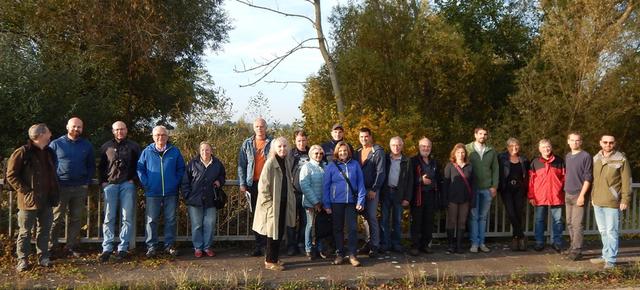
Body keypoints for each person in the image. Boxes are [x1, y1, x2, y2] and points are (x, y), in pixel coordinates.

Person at [7, 124, 60, 271]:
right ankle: (22, 259)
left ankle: (43, 257)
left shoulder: (49, 152)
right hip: (28, 201)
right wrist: (26, 191)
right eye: (49, 132)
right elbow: (11, 175)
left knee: (45, 230)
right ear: (41, 135)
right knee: (25, 231)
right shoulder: (22, 152)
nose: (51, 134)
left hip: (47, 199)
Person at [49, 117, 95, 258]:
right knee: (56, 218)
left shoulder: (87, 145)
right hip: (60, 187)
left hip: (79, 188)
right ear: (67, 127)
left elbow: (91, 165)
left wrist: (86, 181)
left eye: (79, 127)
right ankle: (51, 247)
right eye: (74, 126)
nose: (76, 129)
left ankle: (70, 247)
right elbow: (48, 165)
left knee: (76, 219)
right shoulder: (56, 144)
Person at [137, 125, 185, 257]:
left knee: (170, 219)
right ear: (153, 137)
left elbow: (181, 169)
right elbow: (140, 169)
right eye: (157, 135)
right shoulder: (147, 151)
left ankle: (169, 245)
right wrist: (147, 183)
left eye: (163, 135)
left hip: (171, 192)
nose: (160, 137)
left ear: (167, 136)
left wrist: (175, 182)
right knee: (151, 220)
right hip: (153, 192)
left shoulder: (174, 151)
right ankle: (151, 246)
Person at [98, 121, 141, 262]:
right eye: (117, 129)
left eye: (122, 129)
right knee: (109, 218)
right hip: (110, 185)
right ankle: (107, 248)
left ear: (126, 130)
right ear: (113, 131)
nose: (120, 132)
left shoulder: (134, 146)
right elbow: (101, 166)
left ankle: (123, 247)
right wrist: (103, 182)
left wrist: (133, 180)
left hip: (127, 185)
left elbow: (140, 166)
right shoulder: (106, 147)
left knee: (126, 218)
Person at [252, 137, 297, 271]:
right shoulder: (271, 163)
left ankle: (275, 257)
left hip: (283, 202)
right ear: (274, 149)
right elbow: (263, 186)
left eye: (284, 146)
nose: (282, 149)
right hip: (273, 205)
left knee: (279, 232)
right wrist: (269, 205)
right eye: (279, 147)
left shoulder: (286, 162)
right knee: (272, 233)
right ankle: (270, 261)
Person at [589, 135, 632, 269]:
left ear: (614, 143)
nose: (608, 144)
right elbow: (594, 180)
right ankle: (605, 255)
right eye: (605, 142)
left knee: (611, 231)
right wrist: (592, 197)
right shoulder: (596, 158)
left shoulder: (621, 159)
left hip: (612, 202)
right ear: (600, 143)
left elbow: (627, 181)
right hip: (597, 201)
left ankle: (611, 260)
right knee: (603, 231)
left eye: (611, 142)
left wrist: (625, 199)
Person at [323, 141, 367, 267]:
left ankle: (352, 254)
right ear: (337, 152)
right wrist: (327, 204)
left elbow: (361, 184)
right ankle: (340, 254)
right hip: (336, 202)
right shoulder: (331, 166)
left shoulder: (355, 165)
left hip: (351, 202)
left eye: (345, 151)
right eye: (340, 151)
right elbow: (326, 186)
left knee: (352, 229)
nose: (343, 153)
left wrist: (361, 200)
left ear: (348, 152)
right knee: (338, 229)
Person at [181, 142, 226, 258]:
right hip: (195, 200)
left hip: (211, 199)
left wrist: (219, 182)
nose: (205, 152)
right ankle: (198, 247)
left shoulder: (217, 164)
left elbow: (222, 176)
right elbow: (185, 181)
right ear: (199, 151)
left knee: (209, 224)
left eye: (207, 150)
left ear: (211, 151)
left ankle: (207, 247)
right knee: (197, 225)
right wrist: (187, 196)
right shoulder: (192, 163)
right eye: (202, 150)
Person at [238, 117, 273, 256]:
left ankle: (267, 246)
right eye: (257, 126)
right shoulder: (247, 144)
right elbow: (241, 164)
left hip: (268, 184)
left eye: (262, 126)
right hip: (252, 184)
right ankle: (258, 245)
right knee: (256, 216)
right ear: (254, 128)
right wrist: (242, 183)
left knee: (268, 215)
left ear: (266, 127)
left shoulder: (272, 143)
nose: (260, 128)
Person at [528, 139, 565, 253]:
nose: (546, 149)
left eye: (548, 146)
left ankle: (557, 242)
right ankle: (539, 242)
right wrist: (531, 196)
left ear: (551, 147)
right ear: (539, 149)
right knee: (539, 220)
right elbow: (531, 181)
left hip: (556, 195)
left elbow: (564, 178)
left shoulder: (559, 161)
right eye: (543, 147)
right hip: (540, 196)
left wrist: (561, 190)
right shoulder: (535, 162)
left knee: (558, 220)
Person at [465, 127, 499, 253]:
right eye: (480, 134)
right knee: (474, 217)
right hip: (472, 189)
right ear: (475, 135)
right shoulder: (467, 149)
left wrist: (494, 186)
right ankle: (474, 243)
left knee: (483, 217)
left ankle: (482, 243)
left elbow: (495, 169)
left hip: (487, 189)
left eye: (485, 134)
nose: (483, 136)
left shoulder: (491, 150)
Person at [355, 127, 385, 257]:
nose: (364, 139)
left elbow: (381, 172)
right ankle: (368, 243)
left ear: (371, 137)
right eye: (361, 137)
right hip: (360, 190)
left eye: (366, 136)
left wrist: (374, 189)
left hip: (372, 190)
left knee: (372, 217)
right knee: (364, 218)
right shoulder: (358, 151)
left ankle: (375, 245)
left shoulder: (378, 151)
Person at [381, 136, 414, 254]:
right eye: (394, 145)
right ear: (390, 146)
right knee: (384, 220)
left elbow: (410, 181)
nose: (396, 147)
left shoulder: (407, 160)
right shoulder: (385, 158)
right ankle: (385, 244)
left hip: (399, 194)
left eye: (399, 145)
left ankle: (396, 244)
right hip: (386, 192)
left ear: (402, 146)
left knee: (397, 220)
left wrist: (407, 198)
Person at [409, 137, 441, 256]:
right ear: (419, 147)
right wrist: (420, 180)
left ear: (431, 148)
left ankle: (425, 245)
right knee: (416, 222)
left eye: (428, 146)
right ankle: (414, 246)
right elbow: (409, 179)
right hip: (418, 196)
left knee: (428, 222)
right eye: (423, 146)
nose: (426, 148)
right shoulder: (413, 161)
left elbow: (439, 178)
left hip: (431, 195)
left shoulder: (434, 162)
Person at [564, 132, 593, 261]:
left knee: (577, 224)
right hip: (568, 193)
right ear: (568, 141)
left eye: (577, 140)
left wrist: (582, 195)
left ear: (581, 142)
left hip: (579, 194)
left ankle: (577, 250)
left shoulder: (585, 156)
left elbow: (588, 178)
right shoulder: (568, 156)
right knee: (569, 222)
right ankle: (572, 246)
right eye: (572, 140)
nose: (575, 142)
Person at [497, 138, 529, 251]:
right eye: (511, 146)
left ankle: (516, 239)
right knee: (511, 213)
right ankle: (521, 236)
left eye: (516, 146)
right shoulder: (501, 158)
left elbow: (527, 175)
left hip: (520, 190)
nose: (514, 148)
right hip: (506, 189)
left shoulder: (524, 159)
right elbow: (497, 172)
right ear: (507, 147)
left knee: (518, 213)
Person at [442, 143, 473, 254]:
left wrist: (472, 200)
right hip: (452, 199)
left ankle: (459, 245)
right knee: (451, 221)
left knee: (462, 222)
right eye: (458, 152)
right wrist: (444, 199)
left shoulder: (469, 166)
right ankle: (450, 245)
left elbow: (473, 184)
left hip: (465, 199)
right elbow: (445, 184)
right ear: (454, 153)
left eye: (463, 152)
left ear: (465, 154)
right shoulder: (449, 166)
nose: (460, 154)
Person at [299, 145, 326, 259]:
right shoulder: (307, 167)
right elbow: (305, 186)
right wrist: (315, 202)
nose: (318, 155)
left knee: (320, 227)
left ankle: (320, 249)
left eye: (320, 153)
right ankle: (308, 249)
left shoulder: (325, 166)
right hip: (310, 203)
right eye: (316, 153)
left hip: (323, 203)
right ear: (311, 154)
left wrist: (324, 202)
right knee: (309, 226)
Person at [285, 130, 310, 256]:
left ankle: (302, 244)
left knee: (305, 222)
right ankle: (291, 245)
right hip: (293, 193)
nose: (301, 143)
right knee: (291, 221)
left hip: (307, 194)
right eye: (299, 140)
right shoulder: (290, 153)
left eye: (303, 140)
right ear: (295, 141)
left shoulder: (312, 152)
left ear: (307, 140)